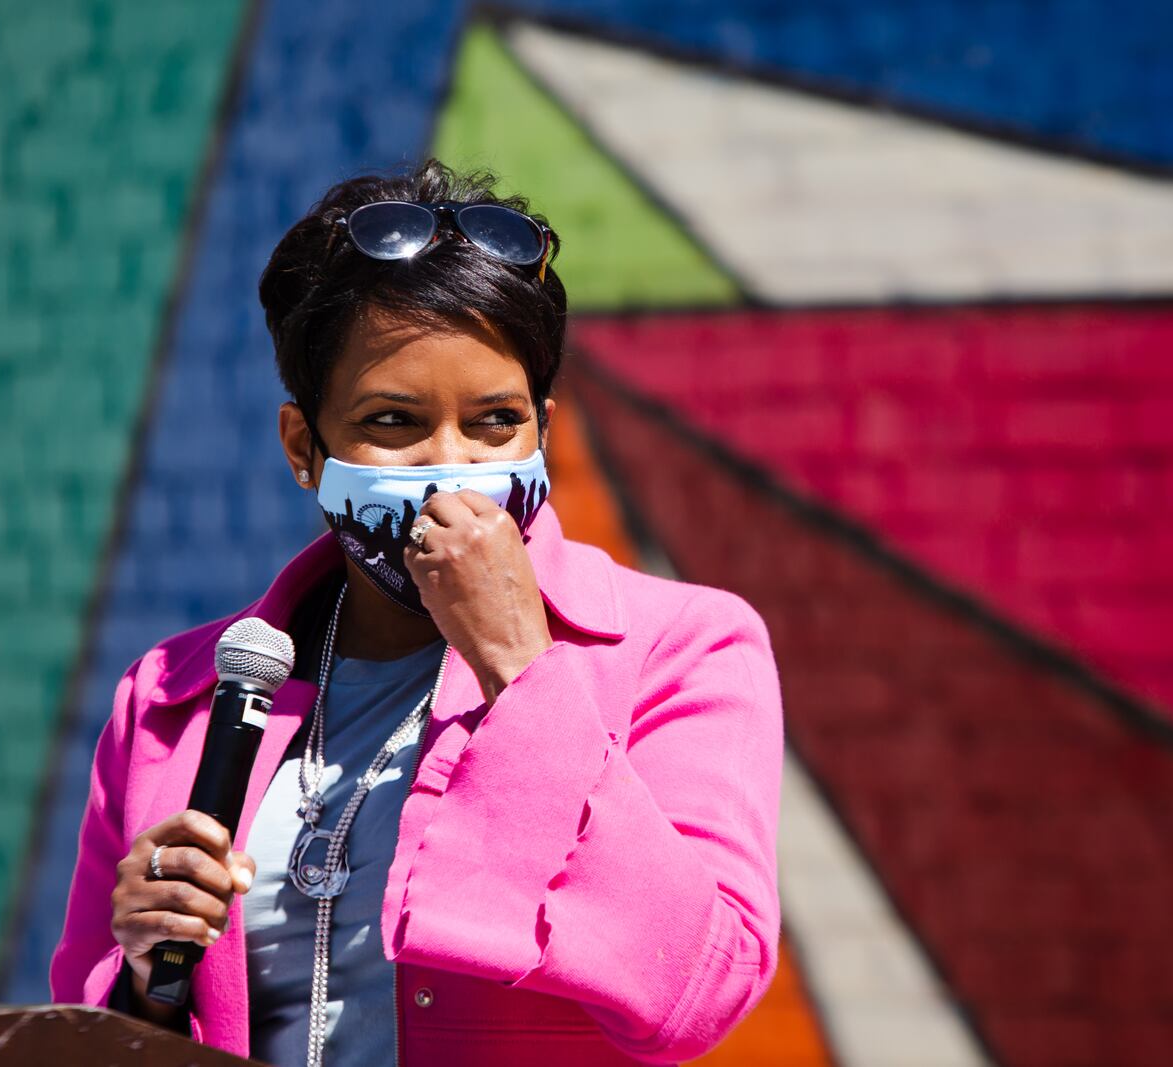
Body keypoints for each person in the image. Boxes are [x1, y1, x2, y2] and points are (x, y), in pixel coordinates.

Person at [48, 158, 785, 1066]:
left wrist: (522, 662)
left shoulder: (681, 652)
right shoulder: (174, 698)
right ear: (303, 448)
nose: (452, 465)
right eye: (393, 422)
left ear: (544, 431)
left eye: (495, 422)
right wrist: (143, 981)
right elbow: (88, 1037)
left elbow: (701, 991)